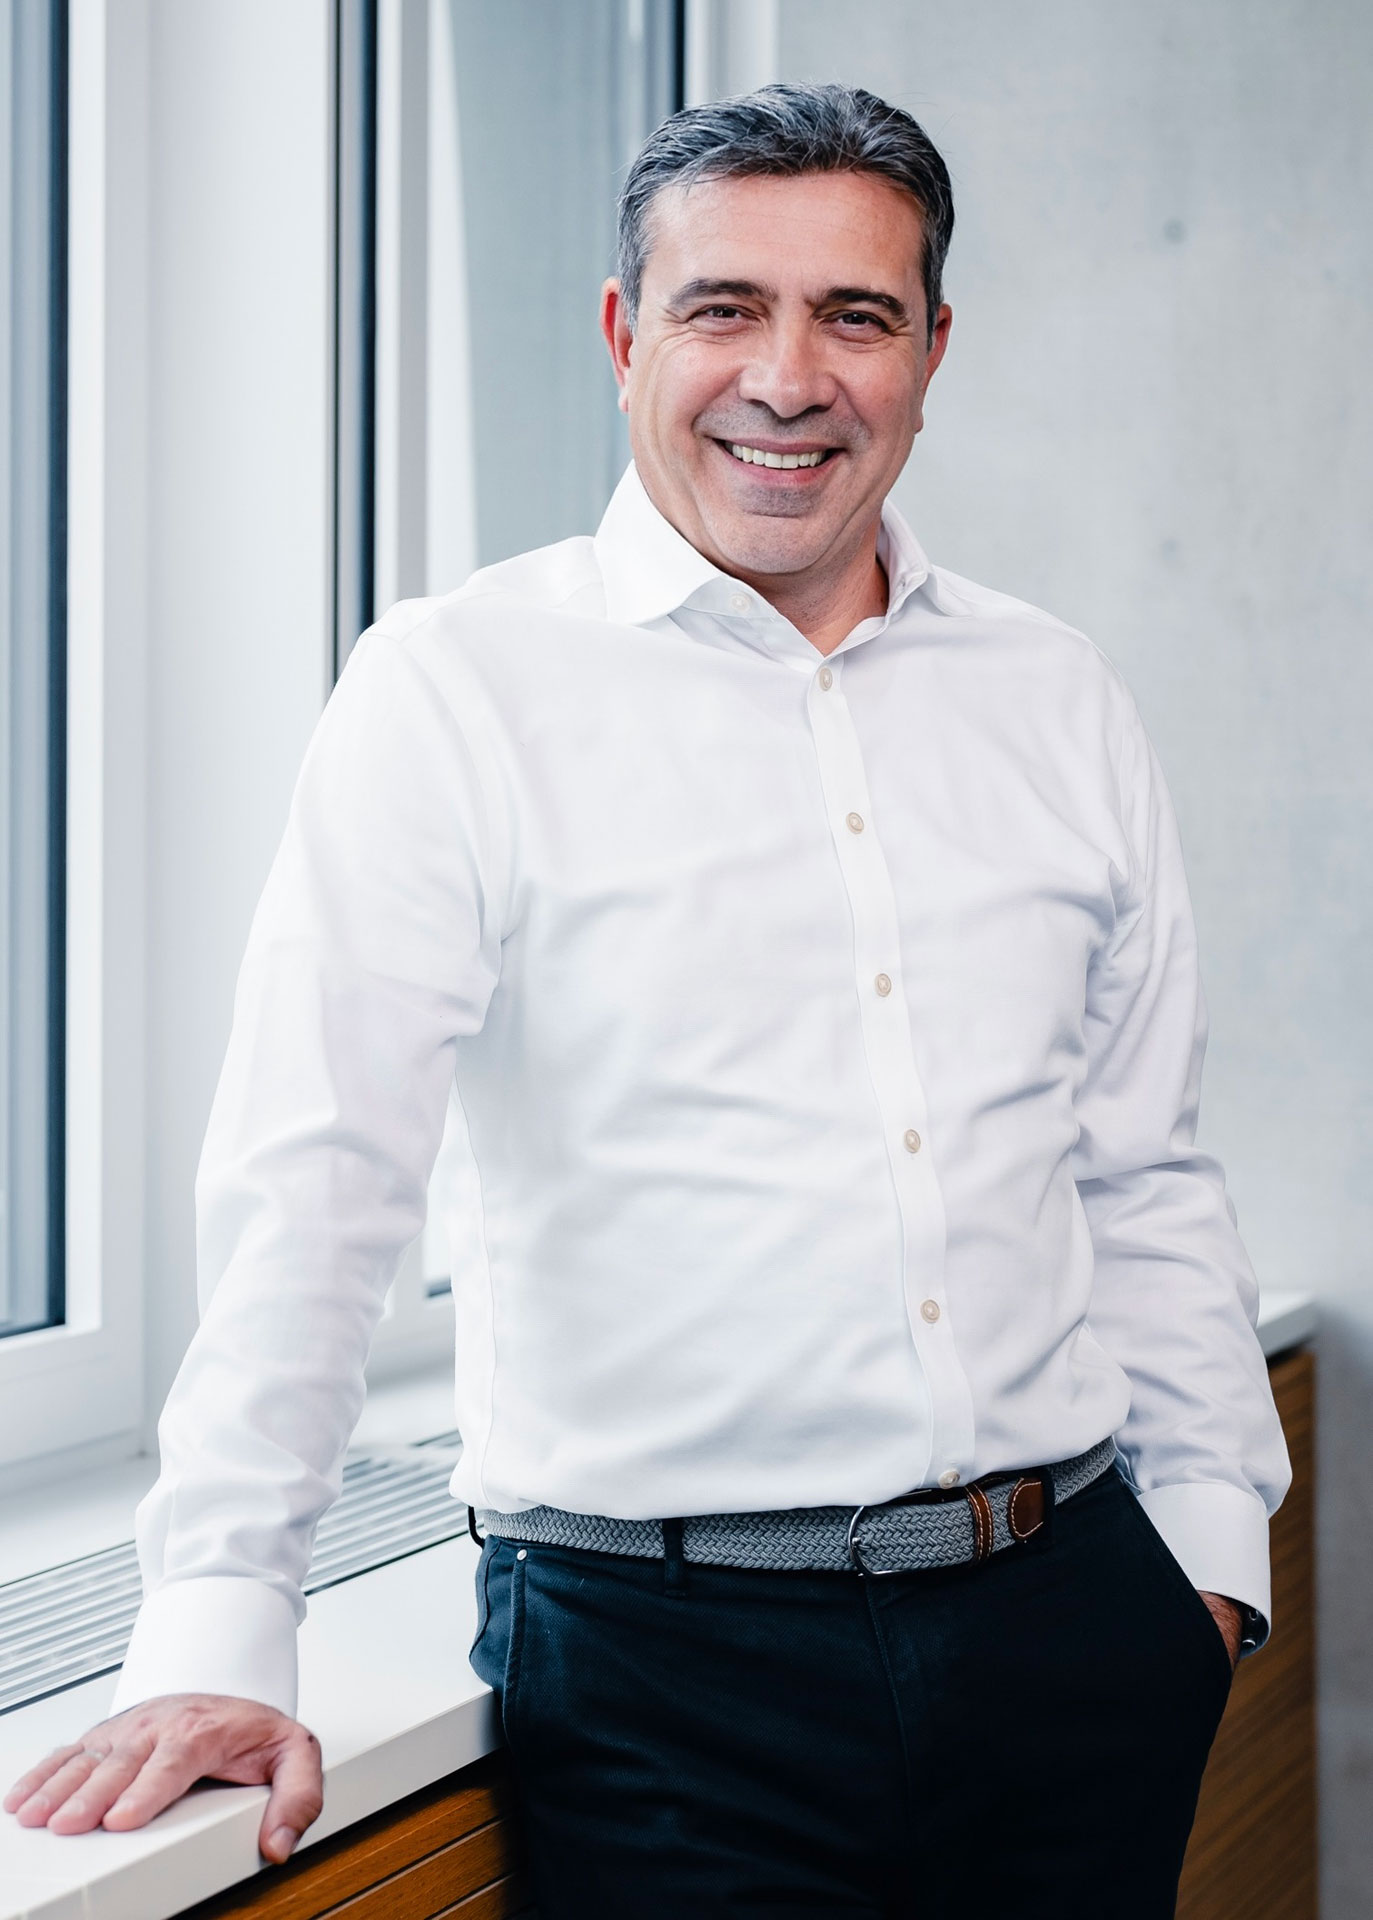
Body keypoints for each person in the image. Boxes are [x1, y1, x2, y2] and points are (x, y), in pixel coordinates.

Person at [6, 83, 1290, 1917]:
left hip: (1075, 1621)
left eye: (854, 316)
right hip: (662, 1672)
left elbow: (1138, 1164)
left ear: (932, 353)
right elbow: (318, 1186)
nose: (788, 376)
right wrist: (218, 1622)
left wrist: (1205, 1559)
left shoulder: (1056, 691)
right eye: (721, 308)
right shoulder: (455, 691)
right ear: (625, 335)